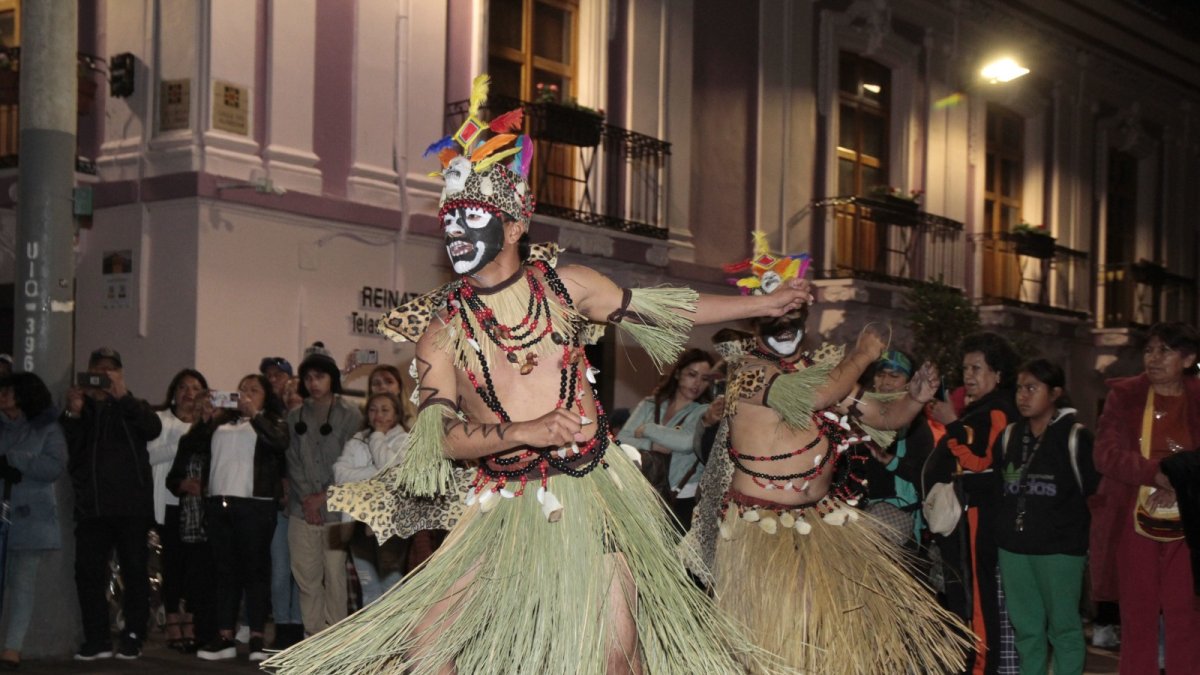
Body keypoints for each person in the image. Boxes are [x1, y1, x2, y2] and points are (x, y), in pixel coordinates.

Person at [264, 74, 811, 674]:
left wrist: (758, 305)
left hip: (590, 492)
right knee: (428, 648)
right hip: (499, 503)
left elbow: (664, 306)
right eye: (450, 222)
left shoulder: (567, 288)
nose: (455, 234)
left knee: (613, 652)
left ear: (516, 223)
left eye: (470, 218)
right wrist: (528, 431)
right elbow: (442, 436)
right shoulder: (440, 330)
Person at [682, 237, 968, 674]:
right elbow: (815, 396)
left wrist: (914, 398)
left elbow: (883, 416)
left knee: (818, 641)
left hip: (818, 523)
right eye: (774, 317)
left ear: (804, 322)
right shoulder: (747, 371)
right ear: (756, 322)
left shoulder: (822, 373)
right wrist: (863, 354)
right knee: (764, 643)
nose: (783, 327)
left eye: (791, 317)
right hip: (757, 531)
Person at [1090, 322, 1200, 674]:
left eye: (1164, 350)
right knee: (1137, 618)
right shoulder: (1124, 396)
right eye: (1149, 350)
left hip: (1189, 524)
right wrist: (1156, 475)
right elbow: (1105, 454)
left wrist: (1179, 486)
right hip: (1133, 522)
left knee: (1186, 617)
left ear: (1189, 358)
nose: (1153, 358)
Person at [170, 374, 288, 662]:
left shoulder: (272, 421)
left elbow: (279, 442)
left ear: (265, 396)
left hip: (255, 505)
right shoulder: (221, 423)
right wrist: (207, 418)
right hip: (219, 505)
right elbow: (191, 445)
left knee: (255, 572)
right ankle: (225, 638)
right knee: (225, 573)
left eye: (253, 390)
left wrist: (255, 415)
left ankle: (258, 638)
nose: (245, 394)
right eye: (242, 389)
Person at [923, 331, 1021, 675]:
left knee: (977, 603)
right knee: (964, 599)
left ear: (998, 374)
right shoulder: (981, 409)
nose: (969, 376)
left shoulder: (997, 410)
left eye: (977, 368)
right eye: (965, 368)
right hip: (965, 521)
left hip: (979, 519)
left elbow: (981, 461)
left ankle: (980, 668)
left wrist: (951, 424)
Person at [994, 359, 1099, 675]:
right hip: (1014, 549)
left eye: (1032, 388)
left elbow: (1094, 494)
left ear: (1055, 393)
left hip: (1061, 550)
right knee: (1026, 631)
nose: (1023, 396)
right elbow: (1000, 488)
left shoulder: (1076, 437)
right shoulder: (1009, 436)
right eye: (1019, 389)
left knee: (1064, 629)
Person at [62, 347, 162, 661]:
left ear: (119, 373)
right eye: (98, 368)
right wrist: (74, 413)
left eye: (111, 369)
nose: (104, 374)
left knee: (134, 572)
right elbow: (71, 452)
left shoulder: (133, 405)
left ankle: (133, 635)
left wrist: (123, 395)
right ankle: (97, 639)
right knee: (88, 572)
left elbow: (153, 428)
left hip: (132, 509)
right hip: (92, 509)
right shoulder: (84, 409)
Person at [285, 343, 362, 638]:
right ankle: (313, 638)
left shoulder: (351, 415)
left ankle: (335, 642)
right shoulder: (293, 418)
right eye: (308, 378)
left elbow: (352, 462)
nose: (313, 383)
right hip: (300, 509)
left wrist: (324, 498)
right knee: (306, 578)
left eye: (320, 376)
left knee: (335, 577)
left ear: (332, 378)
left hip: (337, 509)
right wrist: (308, 500)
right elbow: (292, 461)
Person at [0, 373, 67, 669]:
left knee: (22, 583)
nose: (4, 395)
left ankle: (12, 647)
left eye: (10, 391)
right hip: (2, 512)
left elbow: (54, 465)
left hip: (32, 516)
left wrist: (15, 460)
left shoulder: (47, 428)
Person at [617, 348, 715, 530]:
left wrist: (647, 428)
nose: (697, 383)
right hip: (642, 490)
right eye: (692, 375)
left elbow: (686, 443)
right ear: (678, 374)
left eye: (705, 379)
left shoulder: (703, 410)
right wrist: (652, 444)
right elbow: (621, 441)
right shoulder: (649, 404)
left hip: (681, 497)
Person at [148, 368, 208, 652]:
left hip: (196, 509)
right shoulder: (160, 421)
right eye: (183, 387)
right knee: (172, 566)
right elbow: (149, 455)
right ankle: (172, 618)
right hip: (168, 504)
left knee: (194, 569)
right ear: (174, 393)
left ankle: (189, 619)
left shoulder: (210, 427)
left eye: (195, 388)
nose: (189, 393)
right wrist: (185, 441)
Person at [333, 392, 408, 606]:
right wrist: (374, 473)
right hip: (357, 519)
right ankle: (372, 637)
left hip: (389, 522)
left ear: (396, 414)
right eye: (373, 409)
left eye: (385, 410)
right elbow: (340, 474)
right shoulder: (357, 439)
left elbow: (391, 470)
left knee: (391, 583)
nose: (378, 415)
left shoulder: (404, 440)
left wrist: (378, 436)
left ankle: (395, 636)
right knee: (368, 585)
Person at [862, 350, 930, 547]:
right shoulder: (863, 416)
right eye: (881, 374)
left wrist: (890, 461)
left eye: (894, 376)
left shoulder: (916, 425)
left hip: (896, 518)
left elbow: (924, 475)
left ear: (909, 383)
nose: (886, 382)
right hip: (860, 511)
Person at [259, 356, 304, 650]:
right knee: (279, 571)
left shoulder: (311, 425)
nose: (289, 397)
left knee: (301, 573)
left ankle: (297, 628)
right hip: (279, 507)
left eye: (294, 392)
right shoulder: (274, 423)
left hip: (303, 507)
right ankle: (281, 624)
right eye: (285, 394)